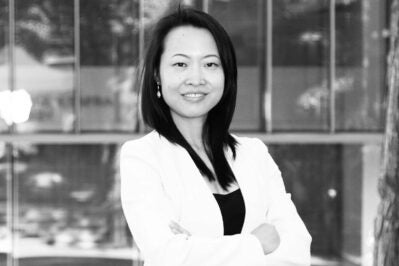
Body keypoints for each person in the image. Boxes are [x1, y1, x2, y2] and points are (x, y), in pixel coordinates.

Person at [120, 6, 311, 266]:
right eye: (180, 64)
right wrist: (257, 244)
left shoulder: (254, 153)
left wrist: (198, 248)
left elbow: (297, 249)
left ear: (225, 73)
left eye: (210, 64)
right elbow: (167, 255)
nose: (196, 78)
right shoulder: (142, 157)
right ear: (157, 74)